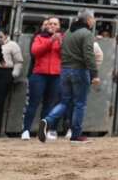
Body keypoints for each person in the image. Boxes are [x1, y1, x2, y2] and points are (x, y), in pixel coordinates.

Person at [38, 9, 99, 143]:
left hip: (65, 70)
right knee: (80, 104)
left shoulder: (68, 32)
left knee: (65, 101)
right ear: (88, 19)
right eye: (93, 18)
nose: (94, 21)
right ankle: (76, 135)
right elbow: (88, 55)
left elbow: (61, 50)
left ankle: (47, 120)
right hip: (79, 70)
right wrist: (94, 73)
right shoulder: (87, 33)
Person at [21, 17, 63, 140]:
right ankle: (26, 130)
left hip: (55, 75)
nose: (52, 26)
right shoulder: (39, 37)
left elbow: (65, 55)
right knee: (33, 103)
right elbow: (35, 52)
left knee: (49, 105)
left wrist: (59, 43)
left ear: (59, 26)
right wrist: (50, 41)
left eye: (55, 24)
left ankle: (42, 131)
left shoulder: (62, 38)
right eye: (50, 23)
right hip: (39, 74)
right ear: (46, 25)